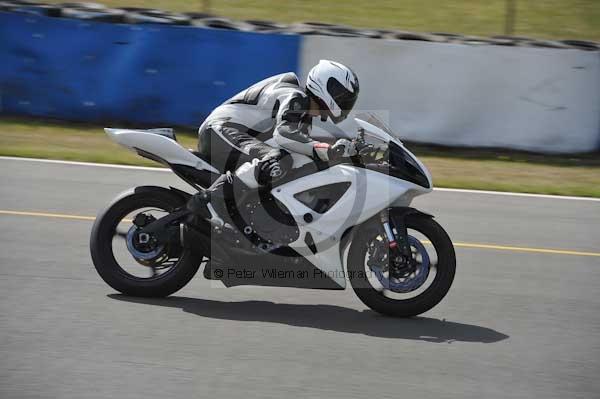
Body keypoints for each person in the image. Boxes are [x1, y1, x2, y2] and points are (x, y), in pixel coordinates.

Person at [188, 59, 360, 215]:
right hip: (220, 129)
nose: (343, 101)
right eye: (340, 94)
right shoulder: (295, 97)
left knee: (290, 163)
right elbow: (284, 134)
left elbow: (300, 151)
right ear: (324, 84)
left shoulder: (304, 116)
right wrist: (326, 150)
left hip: (238, 136)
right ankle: (210, 199)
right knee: (276, 160)